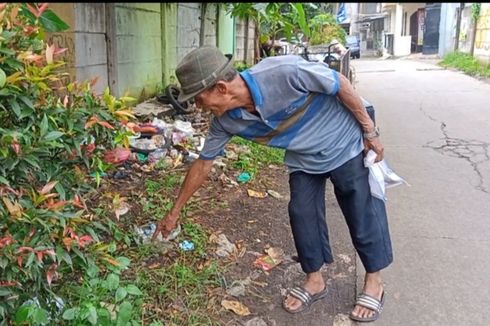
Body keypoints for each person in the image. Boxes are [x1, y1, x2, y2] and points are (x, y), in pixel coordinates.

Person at [152, 46, 393, 322]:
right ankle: (315, 280)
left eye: (198, 99)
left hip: (342, 142)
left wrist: (370, 131)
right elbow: (203, 163)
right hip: (304, 158)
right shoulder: (226, 121)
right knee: (301, 212)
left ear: (220, 87)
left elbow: (340, 84)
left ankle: (374, 281)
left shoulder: (283, 72)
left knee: (360, 209)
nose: (198, 107)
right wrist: (174, 213)